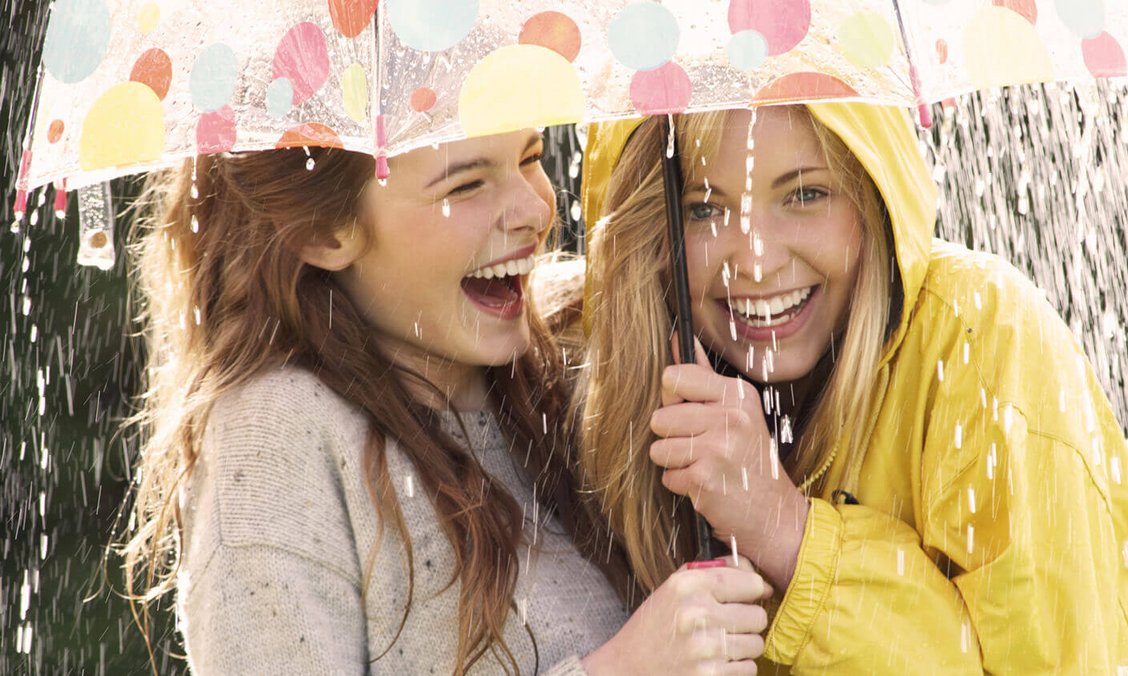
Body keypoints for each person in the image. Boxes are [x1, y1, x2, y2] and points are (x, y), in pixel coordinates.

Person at [120, 129, 772, 674]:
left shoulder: (565, 378)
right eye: (466, 184)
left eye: (531, 157)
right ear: (323, 229)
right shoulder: (276, 438)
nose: (534, 209)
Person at [575, 103, 1128, 673]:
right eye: (703, 208)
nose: (756, 262)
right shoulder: (617, 396)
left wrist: (785, 528)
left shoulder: (984, 339)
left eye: (805, 194)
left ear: (872, 196)